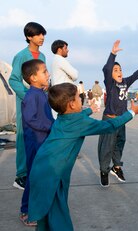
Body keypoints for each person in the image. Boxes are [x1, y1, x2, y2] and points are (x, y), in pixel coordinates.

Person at [28, 82, 138, 230]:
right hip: (53, 174)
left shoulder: (62, 118)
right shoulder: (80, 123)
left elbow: (75, 117)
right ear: (71, 104)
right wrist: (131, 112)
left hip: (41, 167)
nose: (81, 99)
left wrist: (89, 110)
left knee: (46, 216)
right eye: (79, 97)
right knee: (59, 217)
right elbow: (109, 126)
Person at [98, 39, 138, 186]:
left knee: (119, 143)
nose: (119, 72)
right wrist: (113, 54)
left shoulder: (124, 82)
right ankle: (104, 171)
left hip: (122, 119)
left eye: (120, 70)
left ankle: (116, 167)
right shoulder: (110, 84)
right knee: (107, 147)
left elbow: (137, 75)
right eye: (115, 70)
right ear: (109, 74)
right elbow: (107, 68)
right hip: (110, 120)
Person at [9, 22, 47, 190]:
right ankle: (21, 175)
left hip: (41, 100)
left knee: (40, 135)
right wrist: (28, 96)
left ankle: (34, 170)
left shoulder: (43, 56)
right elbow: (13, 80)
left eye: (43, 34)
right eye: (38, 34)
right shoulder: (21, 56)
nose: (42, 37)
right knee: (24, 136)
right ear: (29, 37)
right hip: (27, 101)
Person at [20, 59, 54, 227]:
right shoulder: (31, 96)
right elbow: (30, 119)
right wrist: (50, 126)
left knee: (41, 176)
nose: (48, 74)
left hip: (43, 141)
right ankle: (26, 210)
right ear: (33, 77)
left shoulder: (40, 92)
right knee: (34, 177)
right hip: (35, 141)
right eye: (45, 72)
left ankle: (37, 207)